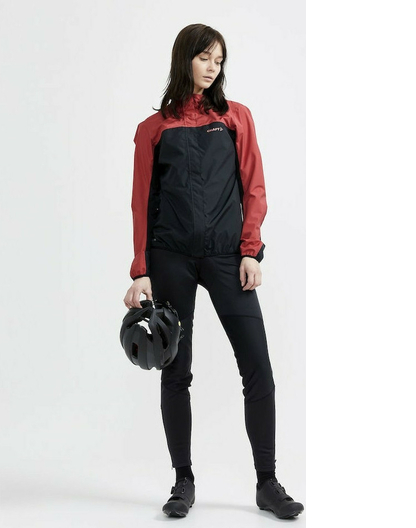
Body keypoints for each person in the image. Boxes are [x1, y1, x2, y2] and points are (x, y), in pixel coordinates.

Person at [123, 23, 304, 520]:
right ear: (184, 58)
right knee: (175, 371)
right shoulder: (153, 129)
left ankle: (267, 483)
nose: (212, 67)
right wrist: (141, 270)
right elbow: (142, 203)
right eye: (204, 57)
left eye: (219, 60)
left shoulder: (235, 117)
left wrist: (250, 251)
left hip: (227, 256)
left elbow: (254, 187)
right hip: (170, 257)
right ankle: (183, 481)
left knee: (257, 367)